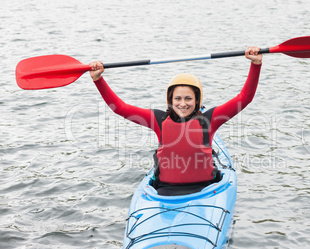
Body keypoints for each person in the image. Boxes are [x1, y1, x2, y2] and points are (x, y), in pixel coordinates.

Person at [89, 47, 262, 195]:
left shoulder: (209, 120)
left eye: (188, 98)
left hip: (206, 190)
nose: (182, 103)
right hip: (164, 192)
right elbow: (120, 108)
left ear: (197, 101)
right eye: (177, 98)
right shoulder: (158, 120)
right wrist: (98, 79)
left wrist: (255, 64)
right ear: (170, 100)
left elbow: (245, 98)